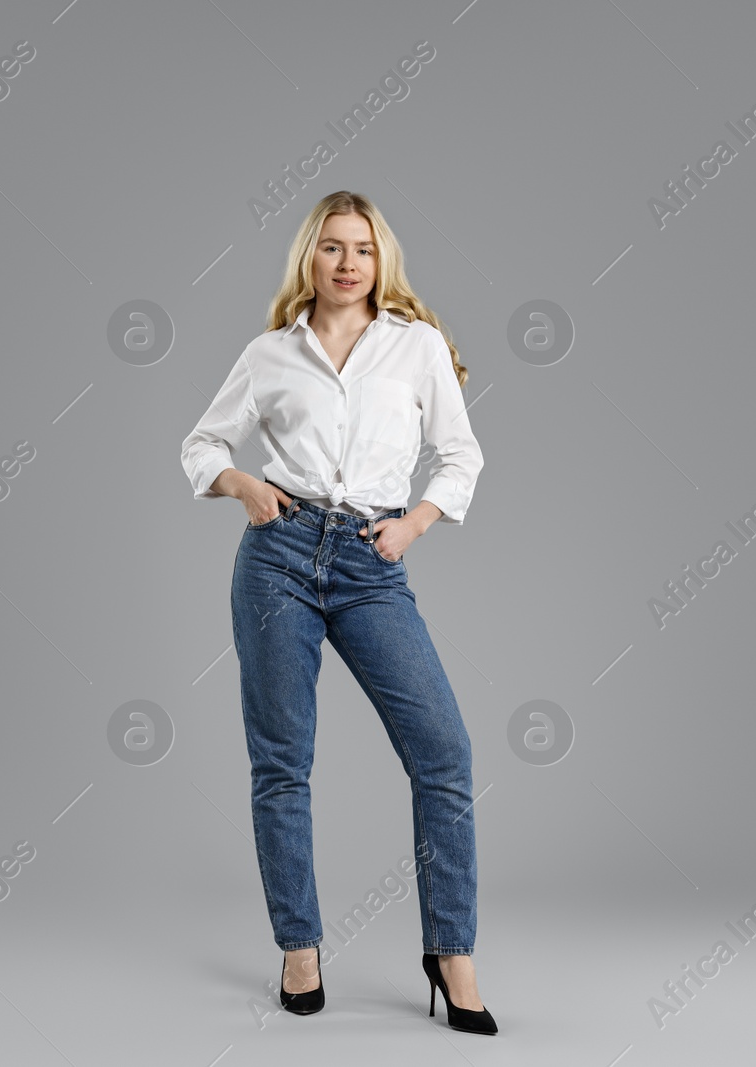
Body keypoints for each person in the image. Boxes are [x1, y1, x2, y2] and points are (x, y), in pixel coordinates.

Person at [180, 190, 496, 1034]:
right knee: (283, 761)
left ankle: (450, 952)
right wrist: (244, 483)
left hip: (370, 562)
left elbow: (461, 452)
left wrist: (415, 523)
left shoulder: (416, 346)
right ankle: (299, 947)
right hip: (279, 556)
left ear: (380, 260)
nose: (348, 261)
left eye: (362, 248)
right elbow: (200, 445)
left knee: (445, 752)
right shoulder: (270, 354)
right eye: (331, 247)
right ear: (309, 261)